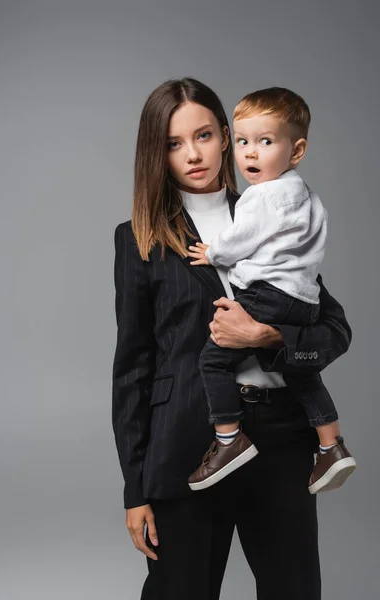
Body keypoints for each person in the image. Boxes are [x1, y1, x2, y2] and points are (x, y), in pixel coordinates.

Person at [112, 77, 352, 600]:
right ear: (158, 153)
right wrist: (136, 490)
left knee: (294, 590)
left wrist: (269, 335)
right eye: (174, 143)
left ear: (227, 136)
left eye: (203, 135)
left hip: (283, 438)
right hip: (188, 445)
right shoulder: (140, 237)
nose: (192, 154)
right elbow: (133, 368)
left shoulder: (276, 212)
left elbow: (333, 330)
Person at [187, 87, 356, 494]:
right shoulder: (308, 198)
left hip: (268, 294)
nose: (250, 153)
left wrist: (215, 253)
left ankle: (228, 440)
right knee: (301, 372)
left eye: (265, 142)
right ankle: (331, 445)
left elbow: (238, 240)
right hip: (301, 297)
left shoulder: (259, 197)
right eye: (245, 142)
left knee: (212, 359)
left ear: (296, 151)